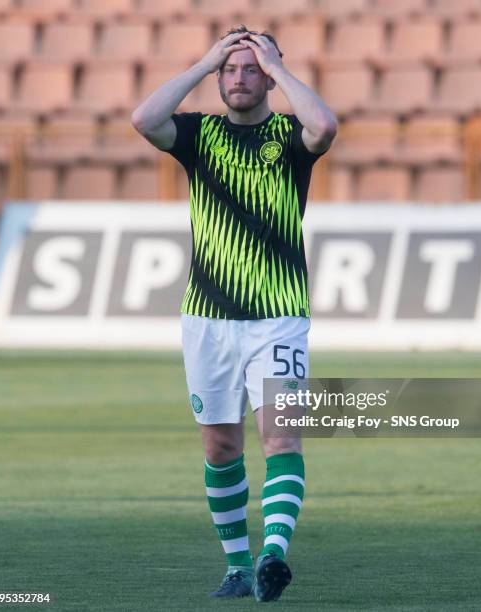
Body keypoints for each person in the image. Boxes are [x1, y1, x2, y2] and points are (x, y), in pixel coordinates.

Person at [131, 24, 337, 602]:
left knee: (282, 439)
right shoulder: (200, 135)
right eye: (231, 70)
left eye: (251, 69)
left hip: (279, 315)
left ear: (269, 75)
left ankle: (274, 552)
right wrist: (203, 62)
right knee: (221, 447)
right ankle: (238, 567)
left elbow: (325, 126)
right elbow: (143, 120)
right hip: (207, 319)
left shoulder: (291, 137)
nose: (239, 79)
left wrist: (278, 68)